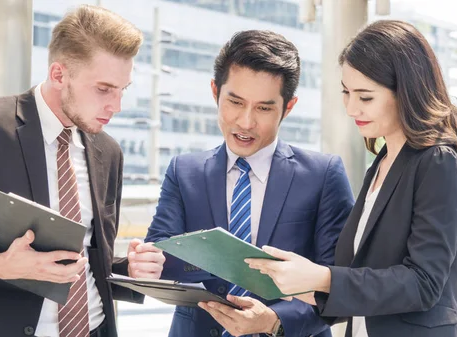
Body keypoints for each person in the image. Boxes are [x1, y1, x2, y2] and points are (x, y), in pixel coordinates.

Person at [0, 5, 165, 337]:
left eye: (122, 90)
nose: (116, 105)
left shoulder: (107, 151)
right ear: (58, 75)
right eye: (103, 89)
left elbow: (86, 259)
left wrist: (131, 269)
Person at [247, 20, 457, 337]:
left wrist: (321, 277)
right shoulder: (382, 163)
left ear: (406, 92)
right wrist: (285, 293)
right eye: (346, 93)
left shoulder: (437, 163)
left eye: (365, 97)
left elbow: (422, 284)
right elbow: (362, 285)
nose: (351, 108)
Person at [144, 30, 355, 337]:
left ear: (289, 107)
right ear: (215, 92)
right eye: (235, 102)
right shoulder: (184, 171)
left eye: (264, 108)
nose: (245, 122)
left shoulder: (323, 176)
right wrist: (147, 262)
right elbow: (162, 262)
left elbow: (339, 286)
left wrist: (273, 319)